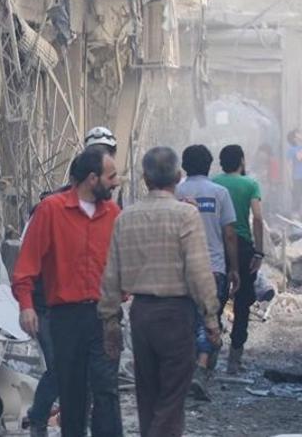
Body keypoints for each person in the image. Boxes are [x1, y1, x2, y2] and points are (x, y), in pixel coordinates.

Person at [100, 147, 220, 437]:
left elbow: (111, 273)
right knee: (173, 396)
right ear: (178, 177)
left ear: (145, 179)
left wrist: (110, 320)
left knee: (148, 393)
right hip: (176, 314)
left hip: (141, 314)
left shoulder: (125, 217)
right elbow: (199, 272)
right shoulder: (185, 215)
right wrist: (211, 318)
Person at [12, 148, 122, 437]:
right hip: (66, 317)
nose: (116, 182)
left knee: (106, 390)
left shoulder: (113, 213)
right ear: (91, 178)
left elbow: (124, 259)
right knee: (73, 393)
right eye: (111, 176)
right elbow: (27, 265)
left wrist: (123, 294)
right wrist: (26, 305)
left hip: (105, 315)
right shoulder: (51, 210)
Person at [175, 145, 239, 377]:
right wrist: (234, 268)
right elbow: (229, 234)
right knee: (209, 316)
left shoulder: (175, 192)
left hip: (181, 268)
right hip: (214, 267)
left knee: (187, 318)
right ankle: (201, 364)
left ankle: (192, 365)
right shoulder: (219, 192)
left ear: (184, 166)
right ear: (210, 165)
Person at [212, 144, 266, 374]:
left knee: (216, 299)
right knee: (243, 300)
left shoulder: (214, 183)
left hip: (217, 244)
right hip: (243, 246)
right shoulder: (251, 184)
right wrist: (259, 251)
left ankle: (209, 356)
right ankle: (235, 359)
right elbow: (257, 218)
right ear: (242, 161)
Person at [289, 129, 302, 214]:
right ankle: (295, 217)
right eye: (299, 134)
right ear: (294, 138)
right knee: (297, 199)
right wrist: (290, 180)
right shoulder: (293, 149)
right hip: (298, 177)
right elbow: (299, 158)